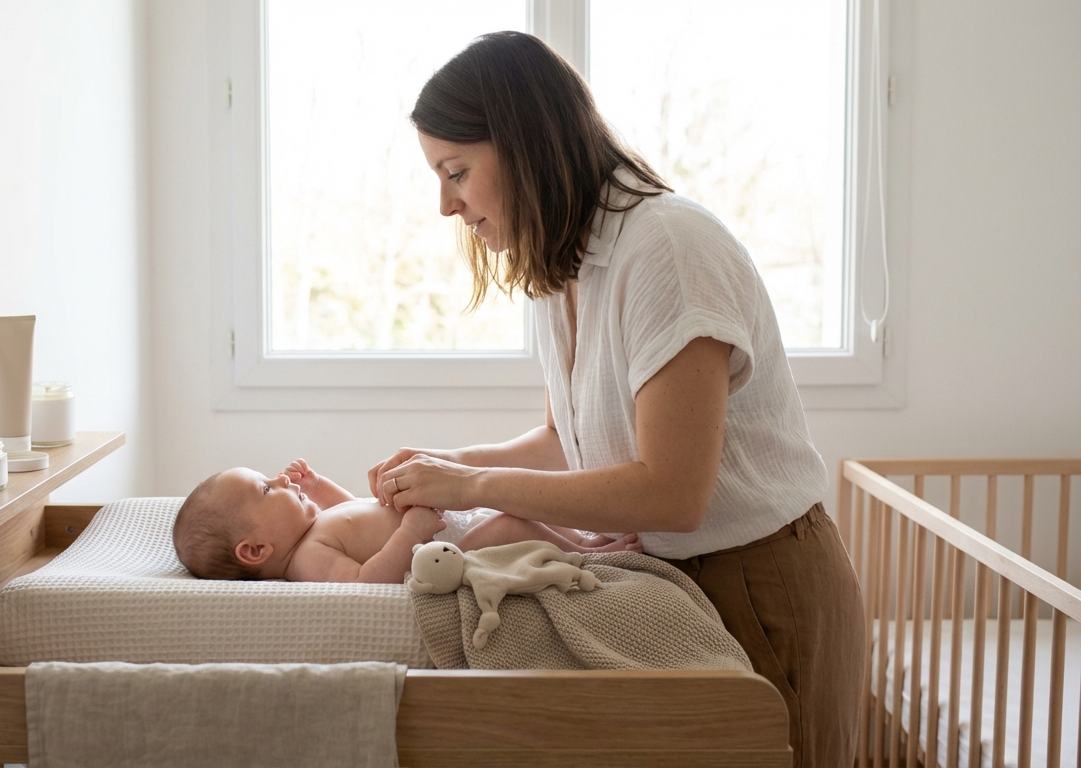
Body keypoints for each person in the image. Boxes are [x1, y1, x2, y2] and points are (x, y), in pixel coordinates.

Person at [367, 31, 864, 767]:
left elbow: (672, 492)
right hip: (667, 582)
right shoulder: (559, 265)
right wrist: (448, 465)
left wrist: (471, 484)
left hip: (758, 583)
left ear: (524, 146)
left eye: (456, 172)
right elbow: (565, 442)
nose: (446, 205)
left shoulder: (668, 249)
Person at [172, 458, 642, 583]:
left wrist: (317, 486)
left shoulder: (314, 528)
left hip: (449, 522)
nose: (279, 479)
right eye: (266, 489)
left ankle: (581, 537)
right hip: (450, 549)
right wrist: (411, 533)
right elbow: (366, 580)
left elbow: (353, 509)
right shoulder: (308, 559)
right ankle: (588, 555)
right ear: (256, 550)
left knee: (515, 503)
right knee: (509, 525)